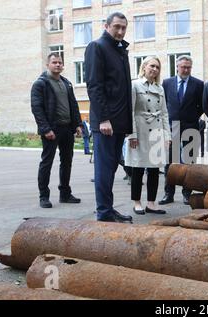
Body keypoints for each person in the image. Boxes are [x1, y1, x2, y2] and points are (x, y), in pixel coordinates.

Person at [85, 12, 133, 223]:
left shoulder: (120, 50)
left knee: (112, 168)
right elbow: (95, 86)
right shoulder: (97, 47)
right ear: (106, 26)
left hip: (120, 122)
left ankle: (108, 208)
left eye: (123, 27)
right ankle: (104, 213)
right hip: (106, 123)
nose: (120, 31)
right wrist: (103, 119)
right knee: (104, 169)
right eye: (116, 27)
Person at [30, 53, 83, 208]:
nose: (58, 65)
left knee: (67, 162)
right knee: (47, 162)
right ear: (48, 64)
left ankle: (65, 194)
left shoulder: (66, 83)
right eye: (54, 62)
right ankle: (43, 196)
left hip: (67, 128)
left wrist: (78, 125)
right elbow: (37, 109)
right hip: (51, 130)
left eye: (60, 62)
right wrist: (46, 129)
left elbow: (73, 105)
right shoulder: (40, 84)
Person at [125, 56, 170, 215]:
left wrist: (167, 135)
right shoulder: (134, 85)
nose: (155, 69)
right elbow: (129, 111)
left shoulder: (160, 88)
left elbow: (164, 113)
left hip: (157, 130)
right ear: (144, 67)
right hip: (140, 129)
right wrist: (132, 135)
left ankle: (151, 203)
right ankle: (137, 202)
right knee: (137, 167)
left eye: (157, 67)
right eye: (152, 66)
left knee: (154, 169)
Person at [158, 55, 204, 206]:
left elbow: (202, 106)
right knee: (170, 163)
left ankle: (186, 194)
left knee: (188, 163)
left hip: (191, 127)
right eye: (183, 67)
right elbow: (163, 105)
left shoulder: (198, 84)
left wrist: (191, 118)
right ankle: (168, 194)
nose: (185, 69)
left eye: (188, 67)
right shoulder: (167, 83)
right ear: (177, 67)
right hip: (171, 128)